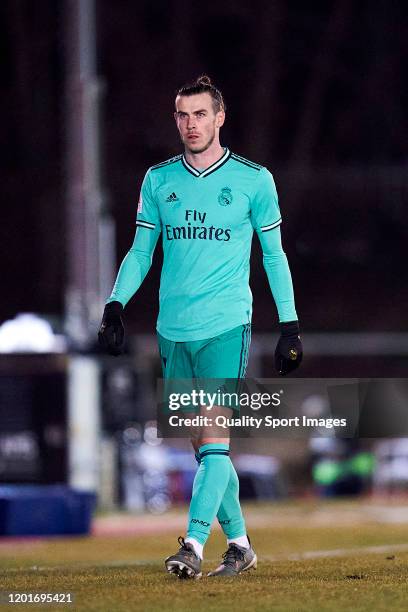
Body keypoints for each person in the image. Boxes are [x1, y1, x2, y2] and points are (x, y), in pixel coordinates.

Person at [98, 75, 303, 578]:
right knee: (205, 448)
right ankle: (240, 545)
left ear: (220, 118)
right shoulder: (158, 180)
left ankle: (191, 544)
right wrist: (115, 304)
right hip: (174, 330)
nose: (191, 125)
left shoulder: (255, 180)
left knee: (214, 440)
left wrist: (290, 325)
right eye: (183, 116)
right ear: (177, 120)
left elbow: (274, 255)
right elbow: (142, 250)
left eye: (200, 115)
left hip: (226, 325)